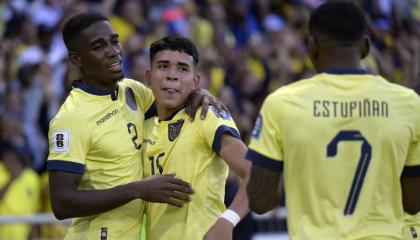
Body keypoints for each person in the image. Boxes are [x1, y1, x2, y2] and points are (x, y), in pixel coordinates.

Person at [245, 1, 420, 239]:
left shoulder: (282, 103)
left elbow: (260, 200)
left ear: (311, 46)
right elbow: (412, 202)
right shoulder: (409, 103)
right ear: (366, 47)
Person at [47, 12, 223, 240]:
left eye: (114, 41)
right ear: (76, 59)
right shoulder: (71, 119)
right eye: (98, 46)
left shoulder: (132, 90)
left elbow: (174, 103)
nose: (113, 51)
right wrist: (138, 189)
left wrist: (198, 92)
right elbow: (62, 204)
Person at [142, 35, 251, 240]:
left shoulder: (204, 115)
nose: (172, 75)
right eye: (163, 66)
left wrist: (228, 220)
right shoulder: (142, 125)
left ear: (195, 81)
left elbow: (256, 173)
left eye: (183, 69)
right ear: (149, 76)